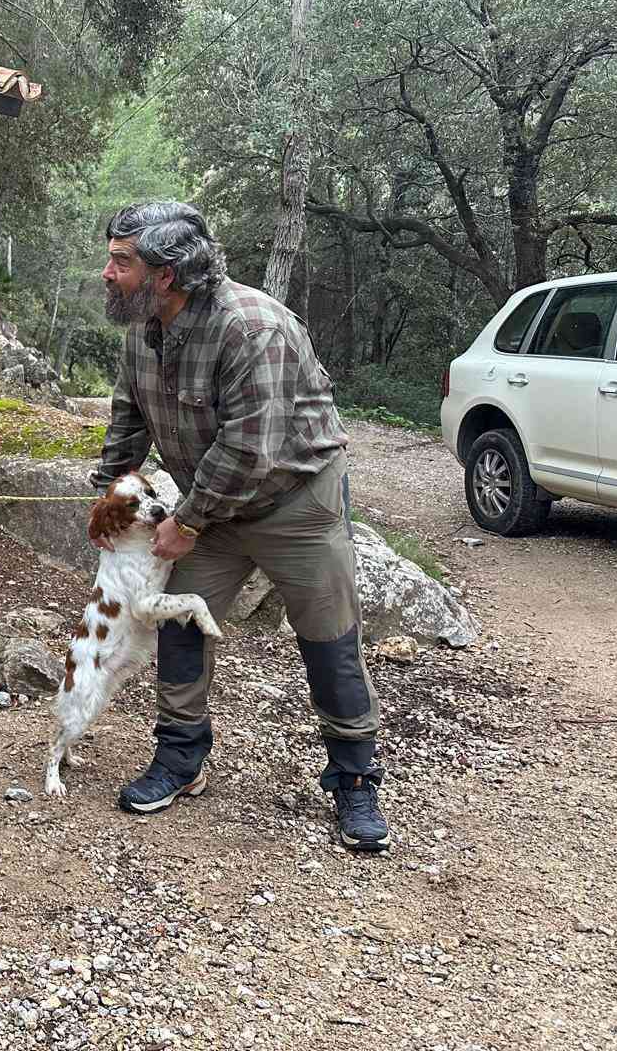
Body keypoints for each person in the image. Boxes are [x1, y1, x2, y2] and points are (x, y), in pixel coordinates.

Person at [91, 200, 390, 852]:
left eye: (121, 262)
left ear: (166, 273)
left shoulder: (253, 327)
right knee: (176, 620)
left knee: (328, 637)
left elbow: (251, 446)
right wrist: (107, 499)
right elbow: (128, 418)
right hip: (213, 506)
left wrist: (188, 522)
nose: (108, 273)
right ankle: (181, 756)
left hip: (295, 505)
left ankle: (354, 777)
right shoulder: (143, 328)